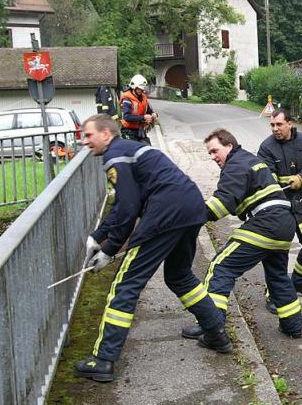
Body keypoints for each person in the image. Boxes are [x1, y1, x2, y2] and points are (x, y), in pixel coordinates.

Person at [74, 114, 209, 383]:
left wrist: (109, 249)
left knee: (125, 286)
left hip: (165, 214)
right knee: (180, 275)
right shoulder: (128, 150)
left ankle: (103, 360)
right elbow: (126, 203)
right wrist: (98, 235)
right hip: (191, 207)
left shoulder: (114, 157)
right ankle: (216, 332)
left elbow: (127, 207)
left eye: (88, 135)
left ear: (106, 134)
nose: (84, 141)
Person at [182, 128, 302, 344]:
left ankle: (212, 328)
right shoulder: (250, 160)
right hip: (284, 222)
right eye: (209, 153)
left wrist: (190, 217)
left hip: (267, 221)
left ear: (229, 145)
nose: (213, 157)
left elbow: (222, 202)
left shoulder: (235, 164)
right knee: (277, 275)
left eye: (215, 151)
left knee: (221, 266)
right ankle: (293, 326)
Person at [257, 109, 302, 300]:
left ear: (289, 123)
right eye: (272, 125)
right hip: (278, 204)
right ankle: (274, 295)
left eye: (279, 124)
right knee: (277, 253)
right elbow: (265, 178)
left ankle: (301, 282)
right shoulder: (266, 147)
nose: (275, 129)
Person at [120, 74, 158, 144]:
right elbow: (126, 117)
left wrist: (154, 114)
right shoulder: (127, 99)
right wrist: (143, 117)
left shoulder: (143, 98)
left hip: (140, 131)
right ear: (134, 87)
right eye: (139, 88)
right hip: (128, 131)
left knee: (147, 149)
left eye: (142, 89)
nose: (141, 90)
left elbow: (149, 110)